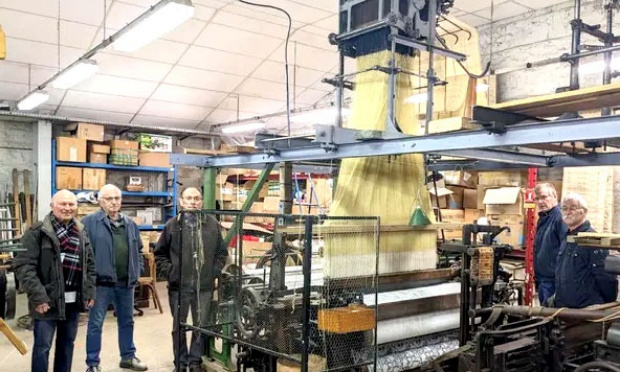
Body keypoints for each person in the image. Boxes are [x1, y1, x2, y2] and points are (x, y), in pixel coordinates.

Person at [13, 189, 96, 372]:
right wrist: (38, 297)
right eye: (63, 204)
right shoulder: (37, 232)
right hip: (46, 301)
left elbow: (89, 264)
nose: (67, 208)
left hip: (73, 302)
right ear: (52, 206)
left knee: (67, 345)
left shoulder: (81, 231)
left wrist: (89, 291)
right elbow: (24, 267)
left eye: (71, 204)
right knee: (43, 347)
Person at [154, 187, 228, 372]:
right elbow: (160, 254)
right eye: (189, 198)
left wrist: (214, 272)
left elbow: (221, 253)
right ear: (181, 201)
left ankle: (195, 362)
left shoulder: (212, 225)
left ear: (201, 202)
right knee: (178, 326)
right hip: (178, 287)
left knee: (200, 325)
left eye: (196, 198)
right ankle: (180, 363)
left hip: (203, 287)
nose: (193, 201)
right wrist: (172, 273)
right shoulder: (172, 226)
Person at [82, 184, 147, 372]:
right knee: (95, 324)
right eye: (109, 198)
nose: (113, 202)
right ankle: (92, 363)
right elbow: (83, 254)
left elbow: (139, 250)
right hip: (100, 285)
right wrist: (88, 282)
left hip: (126, 284)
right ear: (101, 201)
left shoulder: (130, 223)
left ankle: (128, 357)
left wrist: (137, 271)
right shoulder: (88, 222)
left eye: (117, 198)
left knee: (127, 322)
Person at [554, 193, 618, 308]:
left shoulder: (593, 241)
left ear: (584, 211)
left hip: (585, 311)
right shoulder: (567, 238)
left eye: (572, 208)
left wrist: (605, 305)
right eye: (564, 208)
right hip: (565, 309)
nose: (567, 212)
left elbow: (606, 278)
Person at [533, 183, 566, 305]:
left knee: (550, 316)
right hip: (544, 278)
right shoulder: (544, 218)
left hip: (553, 280)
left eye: (544, 197)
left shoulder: (559, 218)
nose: (540, 202)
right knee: (546, 315)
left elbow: (565, 249)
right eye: (537, 198)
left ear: (554, 197)